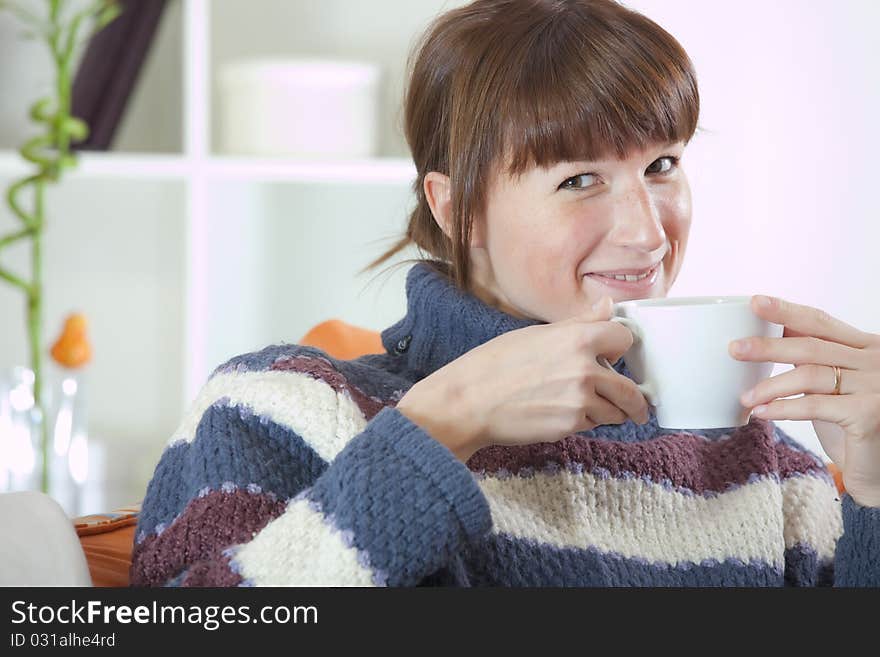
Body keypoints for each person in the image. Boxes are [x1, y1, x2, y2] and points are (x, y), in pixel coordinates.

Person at [130, 0, 880, 587]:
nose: (649, 233)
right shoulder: (280, 408)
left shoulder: (762, 463)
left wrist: (876, 492)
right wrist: (436, 430)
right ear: (458, 208)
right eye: (579, 179)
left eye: (661, 166)